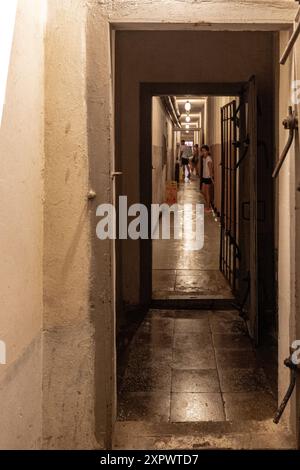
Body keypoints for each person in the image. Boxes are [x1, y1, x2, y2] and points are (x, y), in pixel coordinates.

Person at [200, 145, 214, 212]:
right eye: (202, 151)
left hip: (208, 177)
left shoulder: (209, 158)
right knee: (203, 191)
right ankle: (208, 204)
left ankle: (208, 207)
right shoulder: (204, 158)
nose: (203, 152)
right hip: (204, 177)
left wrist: (211, 178)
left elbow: (210, 169)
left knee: (207, 192)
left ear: (207, 151)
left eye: (204, 151)